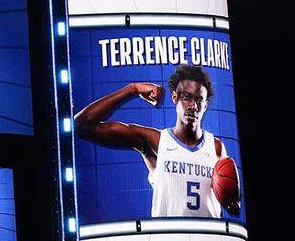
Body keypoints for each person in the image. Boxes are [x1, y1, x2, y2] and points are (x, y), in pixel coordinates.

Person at [74, 64, 239, 218]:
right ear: (175, 97)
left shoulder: (216, 147)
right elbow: (82, 125)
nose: (193, 106)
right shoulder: (157, 142)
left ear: (205, 105)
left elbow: (233, 208)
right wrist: (132, 89)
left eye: (199, 100)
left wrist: (232, 201)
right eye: (187, 97)